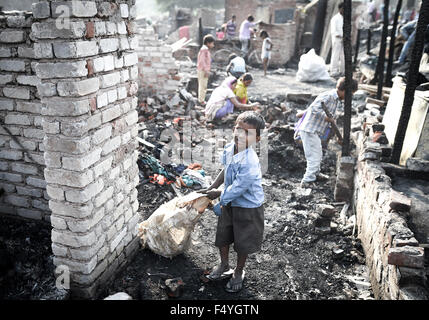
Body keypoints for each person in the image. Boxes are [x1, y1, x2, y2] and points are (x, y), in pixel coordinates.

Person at [201, 111, 266, 293]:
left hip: (247, 207)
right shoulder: (230, 148)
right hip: (228, 200)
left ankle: (239, 271)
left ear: (257, 139)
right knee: (224, 234)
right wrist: (213, 186)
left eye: (247, 133)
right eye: (238, 128)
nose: (240, 134)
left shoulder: (250, 162)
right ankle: (224, 265)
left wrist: (219, 195)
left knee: (242, 241)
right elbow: (226, 169)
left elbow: (238, 188)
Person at [297, 77, 358, 188]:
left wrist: (336, 135)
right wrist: (326, 118)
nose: (351, 97)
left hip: (314, 130)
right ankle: (307, 181)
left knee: (318, 153)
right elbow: (313, 109)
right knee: (314, 156)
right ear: (345, 91)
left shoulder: (336, 100)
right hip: (309, 129)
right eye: (351, 94)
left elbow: (331, 121)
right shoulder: (329, 96)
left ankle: (315, 174)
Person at [197, 34, 215, 105]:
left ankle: (201, 99)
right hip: (203, 70)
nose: (213, 45)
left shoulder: (205, 49)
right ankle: (201, 100)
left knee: (203, 85)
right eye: (212, 43)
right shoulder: (204, 50)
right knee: (203, 85)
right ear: (208, 43)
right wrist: (206, 70)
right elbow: (202, 61)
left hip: (203, 69)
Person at [330, 3, 345, 78]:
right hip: (337, 39)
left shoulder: (345, 18)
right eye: (343, 8)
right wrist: (340, 36)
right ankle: (333, 71)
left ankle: (343, 71)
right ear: (339, 9)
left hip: (344, 39)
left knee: (343, 56)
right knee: (335, 55)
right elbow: (334, 31)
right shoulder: (335, 18)